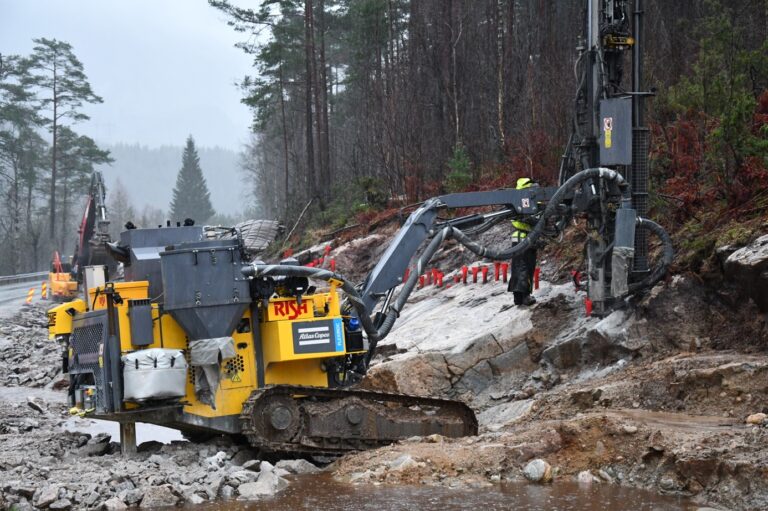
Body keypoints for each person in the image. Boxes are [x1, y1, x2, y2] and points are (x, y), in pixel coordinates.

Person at [508, 177, 538, 306]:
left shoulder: (515, 198)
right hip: (525, 238)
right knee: (526, 267)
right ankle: (525, 296)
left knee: (517, 268)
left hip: (517, 238)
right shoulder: (525, 199)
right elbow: (530, 218)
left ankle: (517, 298)